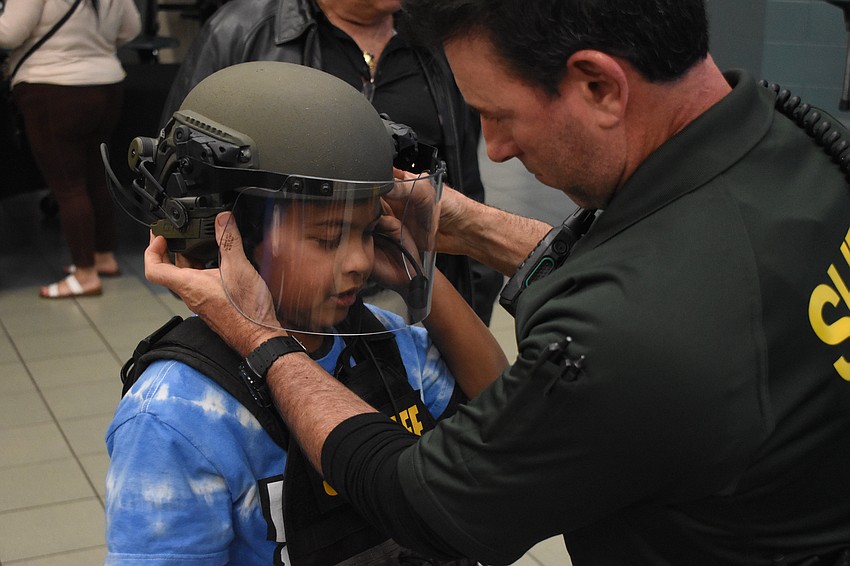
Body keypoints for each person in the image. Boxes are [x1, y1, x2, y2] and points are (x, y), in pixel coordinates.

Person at [144, 0, 850, 564]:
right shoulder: (797, 154)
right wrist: (470, 229)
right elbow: (682, 274)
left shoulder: (626, 335)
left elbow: (426, 507)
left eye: (497, 116)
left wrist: (263, 340)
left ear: (600, 84)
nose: (496, 148)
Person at [105, 61, 506, 565]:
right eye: (326, 238)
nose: (361, 260)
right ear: (225, 239)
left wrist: (416, 272)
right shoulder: (175, 416)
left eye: (367, 231)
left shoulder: (383, 341)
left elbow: (503, 422)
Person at [158, 0, 504, 324]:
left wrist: (465, 295)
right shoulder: (241, 30)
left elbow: (462, 179)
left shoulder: (435, 35)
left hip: (410, 294)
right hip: (278, 307)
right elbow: (178, 171)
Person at [0, 0, 140, 297]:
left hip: (53, 89)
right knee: (95, 178)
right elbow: (131, 29)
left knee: (69, 186)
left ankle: (85, 274)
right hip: (107, 85)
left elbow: (9, 33)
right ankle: (103, 256)